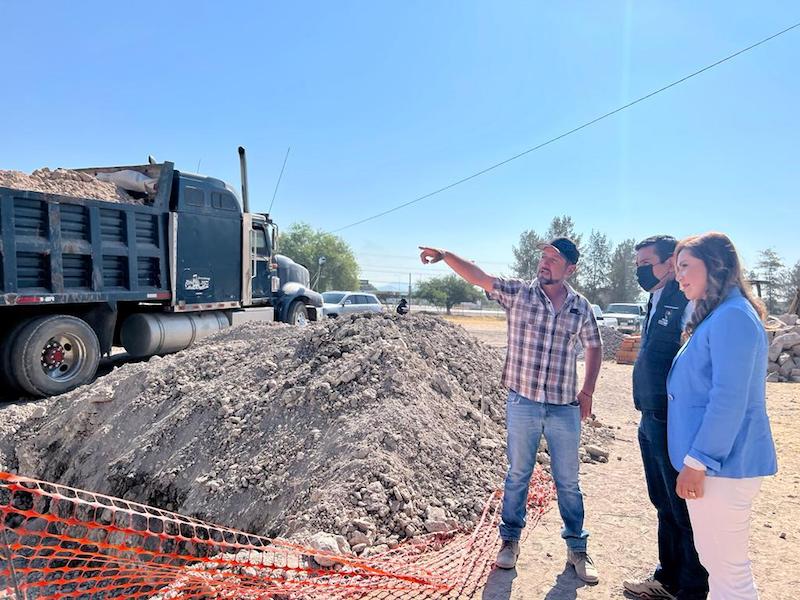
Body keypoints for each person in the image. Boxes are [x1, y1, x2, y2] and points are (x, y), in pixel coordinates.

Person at [419, 238, 603, 583]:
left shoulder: (581, 307)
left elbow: (594, 345)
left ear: (570, 269)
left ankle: (577, 549)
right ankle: (509, 541)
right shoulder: (519, 294)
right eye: (544, 257)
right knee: (518, 475)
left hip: (564, 407)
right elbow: (479, 277)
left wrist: (588, 391)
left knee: (568, 481)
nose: (545, 263)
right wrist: (445, 256)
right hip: (524, 403)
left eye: (553, 259)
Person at [668, 232, 777, 599]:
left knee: (730, 575)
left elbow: (729, 399)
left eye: (685, 266)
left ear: (714, 266)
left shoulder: (733, 317)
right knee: (721, 569)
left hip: (722, 467)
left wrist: (697, 462)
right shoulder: (723, 313)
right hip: (718, 467)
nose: (678, 275)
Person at [624, 236, 708, 600]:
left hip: (671, 419)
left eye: (647, 263)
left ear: (671, 261)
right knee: (662, 501)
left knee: (681, 506)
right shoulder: (654, 299)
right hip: (649, 414)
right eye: (638, 264)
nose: (641, 270)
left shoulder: (685, 300)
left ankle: (691, 586)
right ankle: (667, 576)